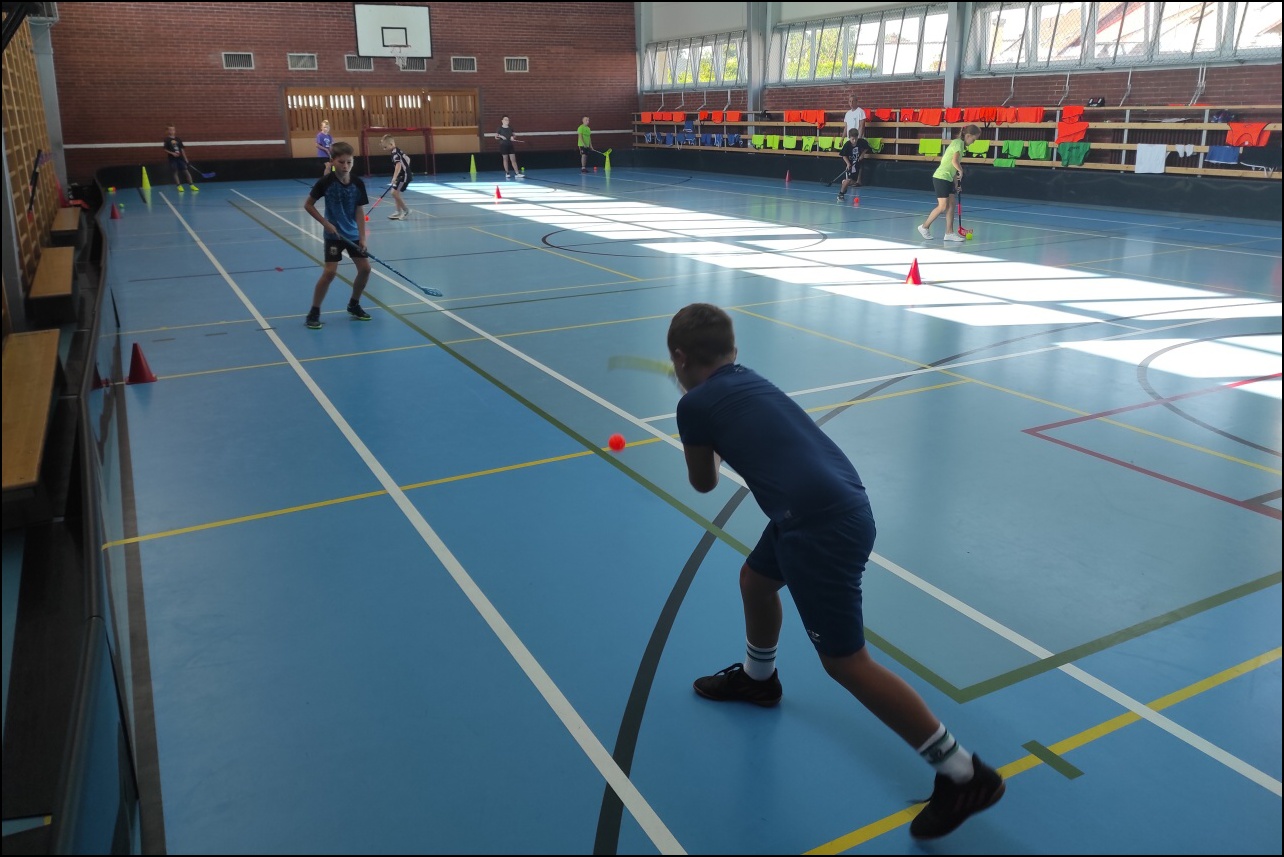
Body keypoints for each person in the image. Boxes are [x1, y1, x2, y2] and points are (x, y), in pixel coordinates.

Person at [667, 302, 1005, 841]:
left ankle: (963, 773)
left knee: (847, 664)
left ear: (680, 358)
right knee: (756, 582)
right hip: (837, 504)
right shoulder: (750, 380)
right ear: (734, 352)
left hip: (816, 528)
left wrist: (696, 421)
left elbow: (704, 483)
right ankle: (759, 680)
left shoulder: (695, 404)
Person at [302, 142, 372, 329]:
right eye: (341, 162)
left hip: (352, 234)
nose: (345, 166)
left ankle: (354, 304)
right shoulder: (325, 182)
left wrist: (362, 237)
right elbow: (308, 205)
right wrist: (325, 223)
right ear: (332, 161)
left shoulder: (357, 183)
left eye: (349, 162)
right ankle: (314, 312)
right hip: (333, 236)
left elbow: (359, 211)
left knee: (365, 269)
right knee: (330, 273)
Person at [919, 124, 980, 243]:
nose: (973, 142)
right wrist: (961, 170)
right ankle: (924, 227)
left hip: (948, 178)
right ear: (968, 136)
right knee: (943, 206)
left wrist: (956, 184)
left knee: (951, 204)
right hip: (941, 177)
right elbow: (954, 162)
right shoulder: (958, 143)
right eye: (973, 139)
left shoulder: (961, 146)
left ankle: (949, 233)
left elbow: (952, 168)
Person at [379, 134, 413, 220]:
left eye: (385, 147)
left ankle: (406, 210)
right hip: (402, 175)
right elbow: (408, 159)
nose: (384, 149)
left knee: (394, 193)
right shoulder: (398, 150)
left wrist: (394, 177)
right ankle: (398, 212)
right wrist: (406, 168)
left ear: (391, 144)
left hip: (404, 177)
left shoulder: (394, 153)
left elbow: (398, 165)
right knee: (395, 193)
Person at [836, 128, 871, 201]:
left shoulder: (861, 142)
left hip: (856, 165)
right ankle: (841, 194)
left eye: (856, 139)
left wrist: (862, 154)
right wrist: (848, 163)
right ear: (849, 138)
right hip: (849, 165)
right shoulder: (847, 145)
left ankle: (844, 183)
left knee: (854, 182)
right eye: (852, 139)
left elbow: (867, 148)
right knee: (849, 180)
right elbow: (843, 155)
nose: (854, 141)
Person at [162, 124, 198, 192]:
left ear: (175, 131)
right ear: (167, 131)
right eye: (170, 130)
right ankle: (179, 186)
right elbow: (165, 149)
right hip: (172, 159)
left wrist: (186, 159)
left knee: (186, 171)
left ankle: (192, 185)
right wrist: (172, 153)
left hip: (180, 158)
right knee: (175, 172)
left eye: (173, 130)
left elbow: (182, 149)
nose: (172, 131)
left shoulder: (178, 139)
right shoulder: (166, 139)